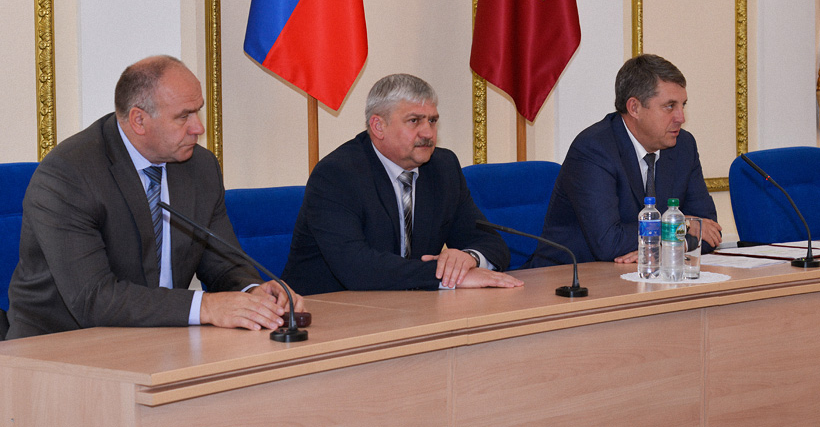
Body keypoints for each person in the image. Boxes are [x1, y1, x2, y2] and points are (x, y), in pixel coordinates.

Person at [5, 55, 304, 339]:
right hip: (61, 346)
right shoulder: (69, 175)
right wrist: (206, 306)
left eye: (197, 111)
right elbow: (93, 298)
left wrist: (253, 293)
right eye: (183, 116)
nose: (198, 127)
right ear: (139, 120)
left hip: (163, 340)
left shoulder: (200, 167)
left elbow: (224, 264)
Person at [281, 73, 523, 295]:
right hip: (327, 311)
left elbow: (492, 244)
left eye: (432, 120)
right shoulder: (337, 175)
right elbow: (356, 267)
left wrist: (469, 259)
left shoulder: (443, 167)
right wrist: (448, 277)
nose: (428, 133)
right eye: (414, 121)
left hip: (409, 307)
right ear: (378, 127)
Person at [526, 54, 721, 267]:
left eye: (683, 105)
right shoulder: (594, 149)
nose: (681, 117)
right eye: (669, 106)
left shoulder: (683, 146)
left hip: (639, 273)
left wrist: (662, 248)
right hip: (570, 277)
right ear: (634, 108)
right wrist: (681, 226)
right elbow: (609, 242)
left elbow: (709, 231)